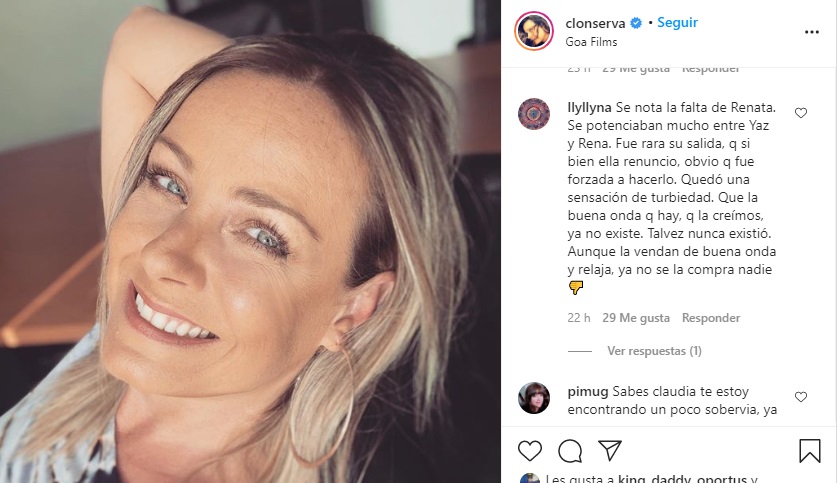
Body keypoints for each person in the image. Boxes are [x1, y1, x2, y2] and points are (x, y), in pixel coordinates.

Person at [0, 7, 466, 482]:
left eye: (263, 236)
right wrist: (307, 89)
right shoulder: (144, 325)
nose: (161, 257)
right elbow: (137, 38)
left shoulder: (165, 324)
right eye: (168, 182)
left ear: (355, 308)